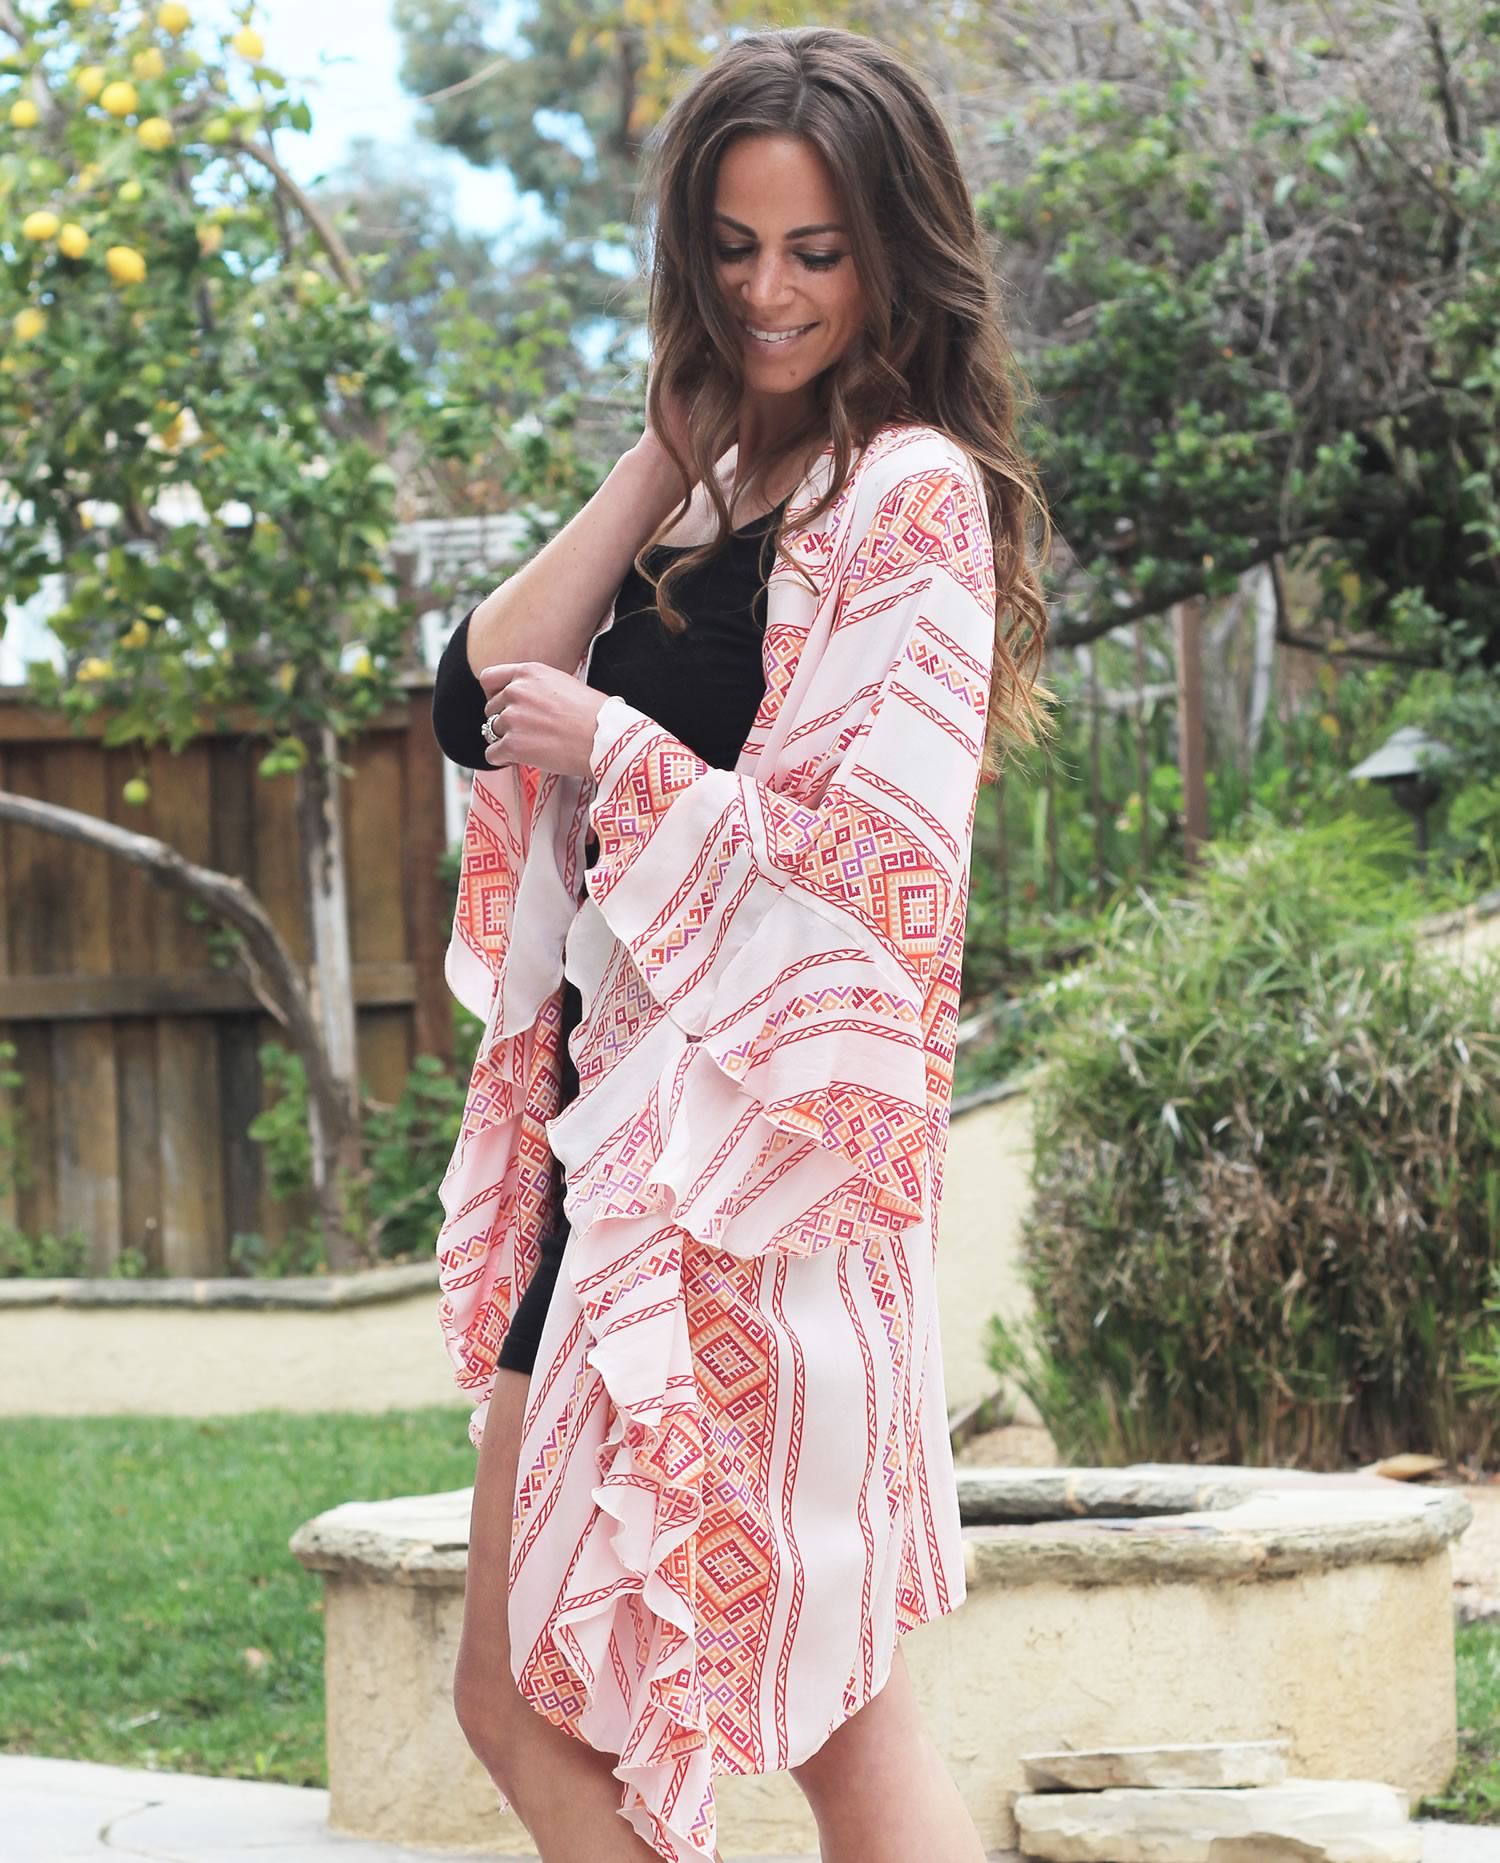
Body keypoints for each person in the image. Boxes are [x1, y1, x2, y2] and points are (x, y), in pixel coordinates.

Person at [430, 25, 1051, 1863]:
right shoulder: (713, 488)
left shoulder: (910, 495)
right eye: (731, 248)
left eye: (814, 252)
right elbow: (476, 703)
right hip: (621, 1159)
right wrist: (665, 450)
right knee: (770, 1710)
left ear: (893, 256)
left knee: (790, 1715)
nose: (768, 293)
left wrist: (616, 749)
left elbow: (876, 880)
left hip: (757, 1189)